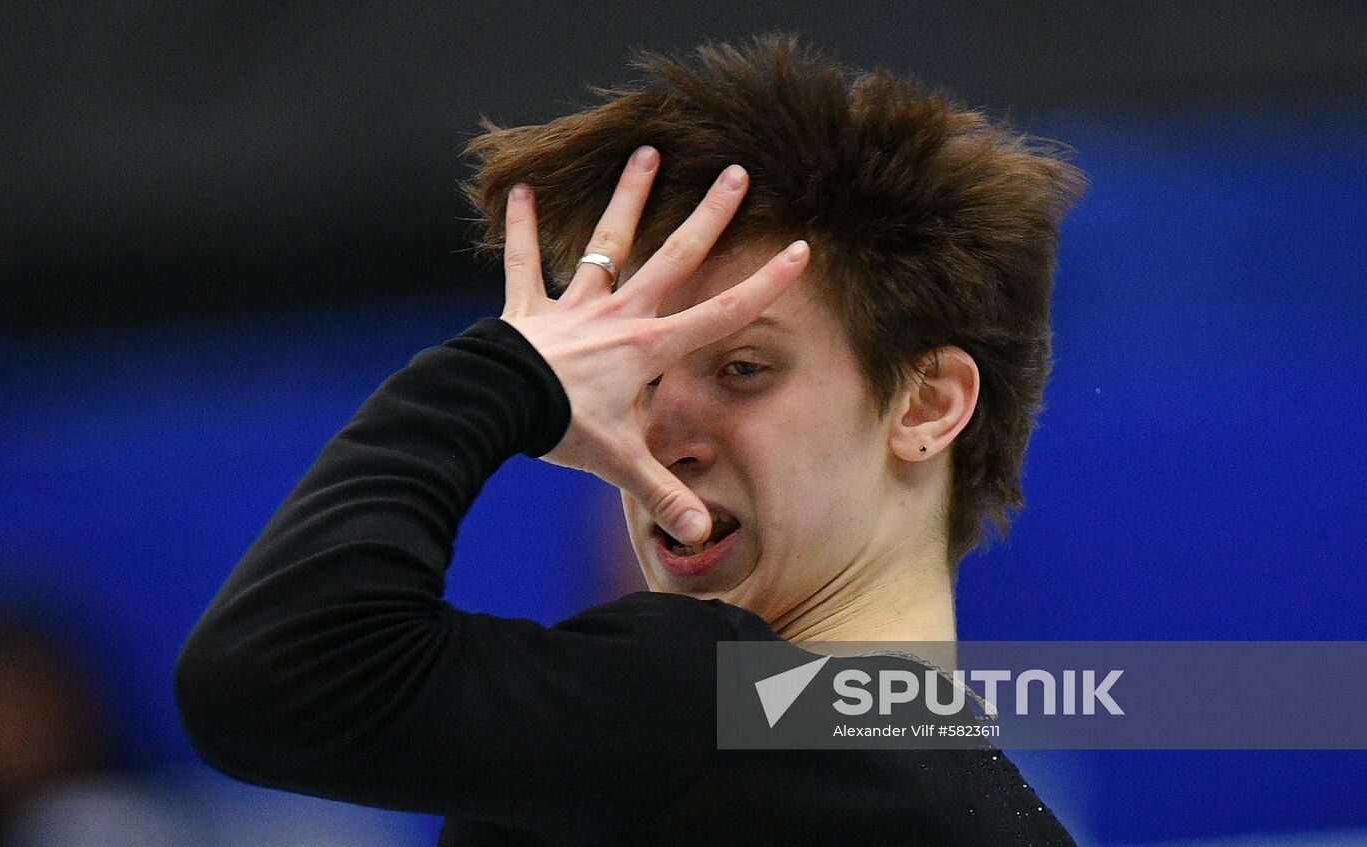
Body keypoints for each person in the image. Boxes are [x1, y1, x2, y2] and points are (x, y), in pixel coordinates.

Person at [175, 34, 1086, 845]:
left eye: (741, 370)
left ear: (927, 405)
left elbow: (265, 676)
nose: (657, 435)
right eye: (637, 382)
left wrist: (502, 376)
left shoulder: (706, 707)